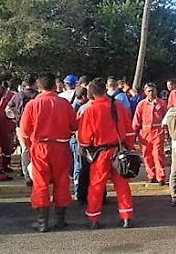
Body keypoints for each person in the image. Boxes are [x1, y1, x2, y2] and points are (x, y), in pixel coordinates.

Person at [19, 73, 78, 232]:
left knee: (40, 183)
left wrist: (29, 146)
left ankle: (42, 222)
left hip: (39, 147)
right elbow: (74, 126)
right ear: (54, 86)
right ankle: (60, 220)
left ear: (39, 87)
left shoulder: (32, 105)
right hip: (60, 146)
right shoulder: (64, 103)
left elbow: (24, 131)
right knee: (62, 182)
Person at [77, 78, 136, 229]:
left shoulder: (89, 110)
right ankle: (126, 217)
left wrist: (86, 149)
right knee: (122, 185)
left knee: (96, 186)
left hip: (100, 153)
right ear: (105, 90)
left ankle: (93, 219)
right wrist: (129, 147)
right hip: (118, 151)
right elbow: (128, 131)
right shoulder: (118, 106)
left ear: (91, 93)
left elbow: (84, 138)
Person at [133, 83, 168, 185]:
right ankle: (151, 175)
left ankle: (160, 176)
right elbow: (136, 120)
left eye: (153, 90)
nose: (151, 93)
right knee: (146, 155)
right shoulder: (141, 104)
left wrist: (166, 131)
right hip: (145, 133)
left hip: (158, 131)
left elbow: (166, 117)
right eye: (149, 91)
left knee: (158, 154)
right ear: (145, 92)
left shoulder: (161, 103)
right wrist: (133, 134)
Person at [7, 76, 38, 186]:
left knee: (25, 150)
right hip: (36, 127)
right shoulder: (38, 96)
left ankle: (27, 175)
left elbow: (8, 110)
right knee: (37, 150)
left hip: (21, 126)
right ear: (34, 84)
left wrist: (15, 118)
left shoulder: (18, 96)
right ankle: (37, 173)